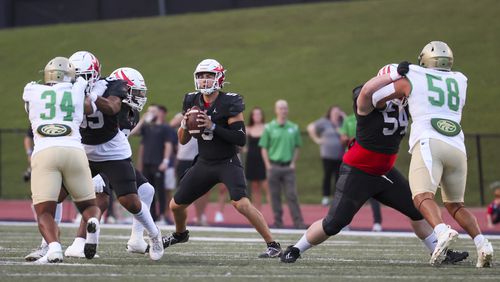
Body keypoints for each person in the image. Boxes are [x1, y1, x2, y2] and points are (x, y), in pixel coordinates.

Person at [281, 65, 468, 265]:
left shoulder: (404, 105)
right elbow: (368, 91)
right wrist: (394, 75)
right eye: (392, 83)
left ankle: (440, 253)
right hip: (358, 172)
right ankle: (295, 249)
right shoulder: (366, 103)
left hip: (384, 173)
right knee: (334, 223)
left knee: (417, 209)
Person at [376, 41, 494, 267]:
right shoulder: (460, 79)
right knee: (456, 205)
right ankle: (482, 243)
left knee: (421, 197)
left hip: (430, 141)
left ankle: (441, 231)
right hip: (457, 145)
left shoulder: (413, 74)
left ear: (425, 60)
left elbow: (384, 86)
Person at [165, 58, 282, 258]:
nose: (204, 80)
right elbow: (183, 141)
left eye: (209, 76)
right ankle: (180, 234)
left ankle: (273, 244)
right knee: (176, 205)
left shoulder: (230, 102)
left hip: (227, 161)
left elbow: (240, 139)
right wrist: (184, 125)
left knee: (241, 203)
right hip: (204, 161)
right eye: (201, 76)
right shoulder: (191, 100)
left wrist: (213, 126)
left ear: (219, 78)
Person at [66, 54, 163, 261]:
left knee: (146, 190)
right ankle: (79, 241)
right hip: (87, 151)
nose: (137, 96)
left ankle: (137, 240)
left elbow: (119, 144)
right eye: (132, 92)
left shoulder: (131, 112)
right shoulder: (112, 103)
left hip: (112, 154)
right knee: (100, 198)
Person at [22, 56, 101, 263]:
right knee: (89, 206)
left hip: (45, 150)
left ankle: (54, 248)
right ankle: (93, 222)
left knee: (44, 211)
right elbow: (90, 107)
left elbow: (30, 108)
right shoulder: (78, 87)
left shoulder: (31, 90)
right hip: (74, 149)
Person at [260, 100, 306, 229]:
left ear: (288, 110)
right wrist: (268, 165)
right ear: (276, 110)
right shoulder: (269, 128)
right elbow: (264, 147)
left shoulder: (294, 127)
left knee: (292, 195)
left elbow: (297, 147)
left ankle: (298, 222)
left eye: (285, 108)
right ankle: (278, 222)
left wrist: (293, 162)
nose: (283, 111)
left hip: (288, 167)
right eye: (280, 108)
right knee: (275, 196)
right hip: (273, 166)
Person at [339, 113, 383, 232]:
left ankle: (377, 222)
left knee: (373, 194)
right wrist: (345, 139)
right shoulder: (348, 120)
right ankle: (343, 222)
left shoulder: (372, 118)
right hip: (352, 162)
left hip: (369, 161)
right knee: (348, 194)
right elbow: (343, 137)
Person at [134, 104, 174, 224]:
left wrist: (165, 161)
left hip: (158, 163)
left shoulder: (164, 128)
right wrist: (142, 120)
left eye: (153, 111)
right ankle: (152, 216)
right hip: (147, 163)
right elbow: (133, 132)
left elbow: (168, 145)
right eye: (149, 111)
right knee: (147, 191)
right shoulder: (146, 127)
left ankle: (162, 215)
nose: (150, 113)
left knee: (160, 191)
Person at [307, 106, 345, 206]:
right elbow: (310, 127)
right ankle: (325, 197)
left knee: (338, 177)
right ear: (330, 113)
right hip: (327, 155)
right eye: (334, 111)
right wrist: (317, 139)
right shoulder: (324, 122)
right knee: (327, 175)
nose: (336, 113)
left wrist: (344, 117)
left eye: (338, 112)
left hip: (340, 155)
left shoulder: (342, 123)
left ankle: (336, 197)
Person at [245, 107, 271, 211]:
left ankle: (276, 213)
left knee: (267, 186)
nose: (257, 116)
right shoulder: (248, 129)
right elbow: (240, 141)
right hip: (251, 160)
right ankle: (258, 212)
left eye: (259, 114)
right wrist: (244, 148)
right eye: (255, 114)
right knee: (255, 187)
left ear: (262, 116)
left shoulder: (267, 128)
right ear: (252, 116)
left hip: (263, 160)